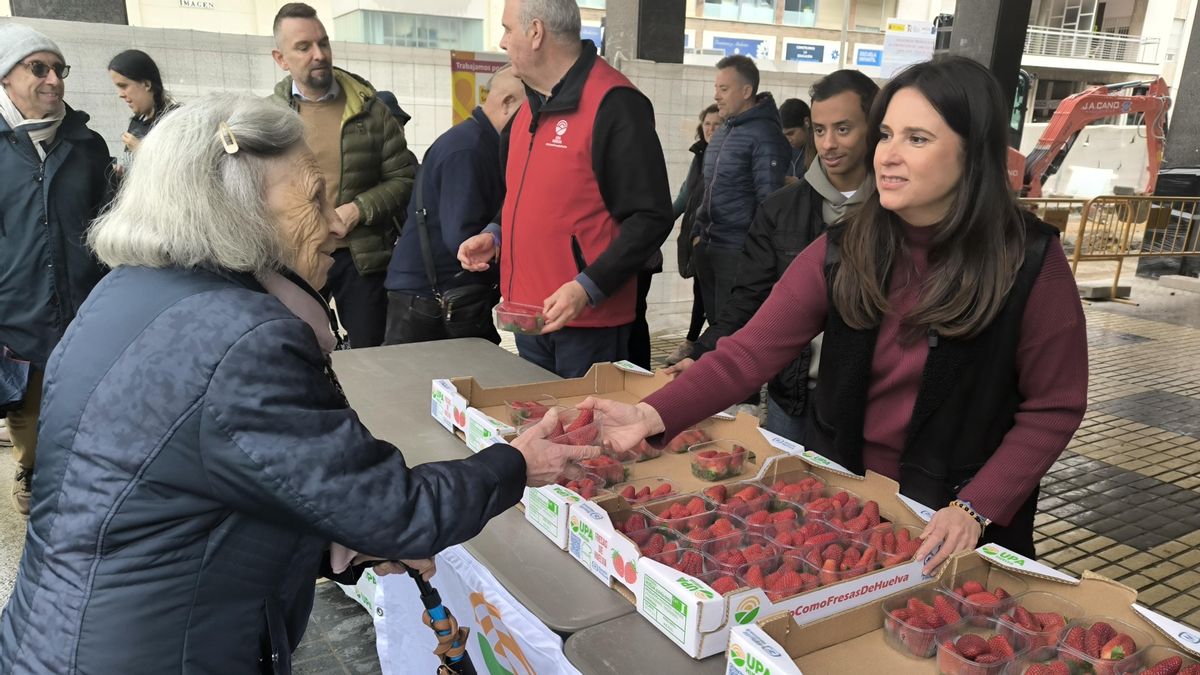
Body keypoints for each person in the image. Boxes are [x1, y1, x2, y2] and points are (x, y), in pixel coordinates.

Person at [0, 94, 598, 673]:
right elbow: (395, 510)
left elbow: (178, 504)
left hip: (58, 635)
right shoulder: (244, 339)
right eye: (315, 200)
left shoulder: (122, 295)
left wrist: (341, 548)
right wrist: (517, 464)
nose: (336, 227)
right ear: (239, 214)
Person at [583, 56, 1087, 570]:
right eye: (887, 135)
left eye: (917, 139)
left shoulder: (1028, 262)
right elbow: (749, 354)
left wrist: (976, 507)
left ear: (971, 152)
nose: (888, 156)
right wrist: (652, 413)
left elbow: (1054, 407)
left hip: (958, 521)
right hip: (849, 504)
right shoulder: (846, 247)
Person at [457, 0, 673, 378]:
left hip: (590, 327)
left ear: (536, 32)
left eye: (508, 29)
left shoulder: (614, 104)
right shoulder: (527, 112)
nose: (503, 42)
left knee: (586, 434)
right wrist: (496, 233)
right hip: (529, 320)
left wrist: (587, 287)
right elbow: (525, 197)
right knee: (539, 429)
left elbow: (651, 216)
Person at [671, 71, 880, 443]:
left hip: (866, 404)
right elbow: (749, 300)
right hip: (792, 394)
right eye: (819, 130)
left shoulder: (896, 214)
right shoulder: (781, 210)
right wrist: (703, 353)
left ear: (875, 126)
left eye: (843, 129)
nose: (828, 144)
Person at [0, 24, 113, 516]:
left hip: (86, 305)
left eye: (58, 69)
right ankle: (31, 472)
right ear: (6, 78)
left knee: (90, 403)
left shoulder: (87, 144)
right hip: (17, 306)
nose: (53, 80)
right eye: (37, 67)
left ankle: (88, 482)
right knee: (28, 408)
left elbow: (110, 223)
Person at [270, 2, 415, 348]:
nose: (319, 54)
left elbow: (404, 178)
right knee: (297, 351)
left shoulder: (371, 109)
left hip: (360, 257)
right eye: (303, 47)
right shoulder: (268, 117)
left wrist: (358, 210)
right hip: (295, 257)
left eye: (323, 42)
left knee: (371, 358)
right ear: (280, 58)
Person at [383, 67, 525, 345]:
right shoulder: (468, 150)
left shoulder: (475, 141)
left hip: (431, 295)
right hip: (429, 300)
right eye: (531, 108)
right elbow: (462, 239)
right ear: (507, 103)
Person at [692, 54, 790, 325]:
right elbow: (707, 188)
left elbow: (770, 201)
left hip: (737, 252)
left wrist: (754, 251)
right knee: (715, 327)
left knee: (731, 329)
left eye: (724, 89)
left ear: (746, 91)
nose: (717, 96)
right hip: (710, 246)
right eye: (716, 89)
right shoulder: (724, 131)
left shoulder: (765, 135)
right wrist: (698, 234)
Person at [665, 104, 721, 366]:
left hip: (717, 239)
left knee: (710, 297)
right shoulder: (700, 155)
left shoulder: (729, 155)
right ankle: (694, 343)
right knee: (700, 291)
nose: (710, 129)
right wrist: (658, 223)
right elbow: (685, 196)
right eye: (707, 124)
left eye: (716, 124)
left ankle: (700, 346)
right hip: (697, 236)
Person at [107, 49, 179, 157]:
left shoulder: (177, 122)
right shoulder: (138, 121)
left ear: (146, 84)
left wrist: (142, 151)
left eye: (123, 86)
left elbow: (183, 168)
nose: (120, 94)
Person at [779, 97, 814, 181]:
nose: (788, 140)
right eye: (784, 135)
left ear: (806, 122)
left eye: (791, 133)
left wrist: (797, 183)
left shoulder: (820, 148)